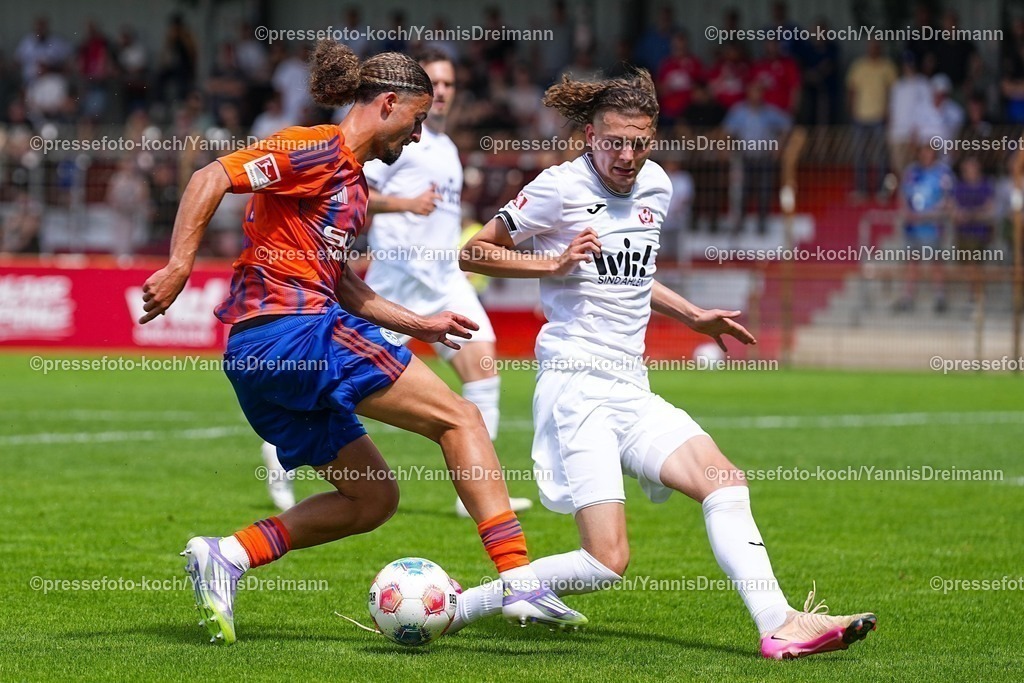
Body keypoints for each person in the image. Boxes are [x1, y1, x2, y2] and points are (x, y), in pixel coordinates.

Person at [139, 41, 587, 645]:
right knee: (460, 419)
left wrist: (419, 325)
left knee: (372, 498)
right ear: (388, 103)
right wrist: (178, 265)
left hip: (259, 358)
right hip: (293, 332)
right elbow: (211, 175)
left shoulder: (351, 187)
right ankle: (519, 582)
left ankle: (229, 555)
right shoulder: (313, 147)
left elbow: (345, 283)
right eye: (418, 119)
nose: (420, 135)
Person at [454, 68, 877, 659]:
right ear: (589, 136)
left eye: (639, 142)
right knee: (607, 561)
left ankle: (779, 623)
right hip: (576, 385)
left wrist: (692, 314)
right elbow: (474, 250)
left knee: (724, 482)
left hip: (631, 385)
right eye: (614, 142)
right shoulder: (556, 187)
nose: (627, 156)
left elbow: (637, 277)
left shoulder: (656, 185)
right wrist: (549, 266)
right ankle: (455, 607)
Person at [258, 49, 532, 518]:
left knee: (483, 370)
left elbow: (444, 212)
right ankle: (283, 451)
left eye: (448, 85)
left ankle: (477, 495)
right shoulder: (395, 140)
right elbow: (353, 188)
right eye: (436, 84)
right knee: (343, 384)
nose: (443, 92)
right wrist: (404, 203)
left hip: (444, 278)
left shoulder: (444, 148)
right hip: (397, 278)